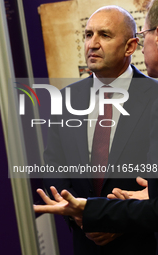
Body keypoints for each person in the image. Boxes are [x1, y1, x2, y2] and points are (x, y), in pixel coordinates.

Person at [42, 4, 158, 255]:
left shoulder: (155, 95)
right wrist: (80, 216)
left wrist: (120, 221)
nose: (92, 44)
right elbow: (54, 165)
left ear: (130, 46)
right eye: (88, 34)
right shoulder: (64, 100)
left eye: (104, 35)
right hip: (86, 244)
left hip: (142, 243)